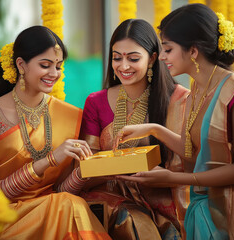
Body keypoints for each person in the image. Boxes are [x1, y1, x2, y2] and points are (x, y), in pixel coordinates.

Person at [115, 4, 234, 240]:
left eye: (168, 49)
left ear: (193, 51)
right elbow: (193, 154)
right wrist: (155, 129)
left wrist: (174, 179)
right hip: (213, 210)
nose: (161, 57)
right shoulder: (197, 90)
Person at [0, 25, 111, 240]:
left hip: (52, 211)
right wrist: (47, 161)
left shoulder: (68, 115)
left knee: (69, 203)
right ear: (21, 64)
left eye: (58, 66)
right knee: (68, 206)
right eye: (45, 65)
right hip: (1, 218)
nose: (54, 74)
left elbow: (60, 191)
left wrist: (85, 171)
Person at [59, 19, 189, 239]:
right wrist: (114, 169)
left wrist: (165, 178)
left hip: (167, 198)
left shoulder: (179, 100)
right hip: (111, 200)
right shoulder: (96, 102)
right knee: (128, 219)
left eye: (133, 58)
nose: (123, 66)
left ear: (153, 59)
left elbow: (193, 161)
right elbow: (85, 165)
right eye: (117, 58)